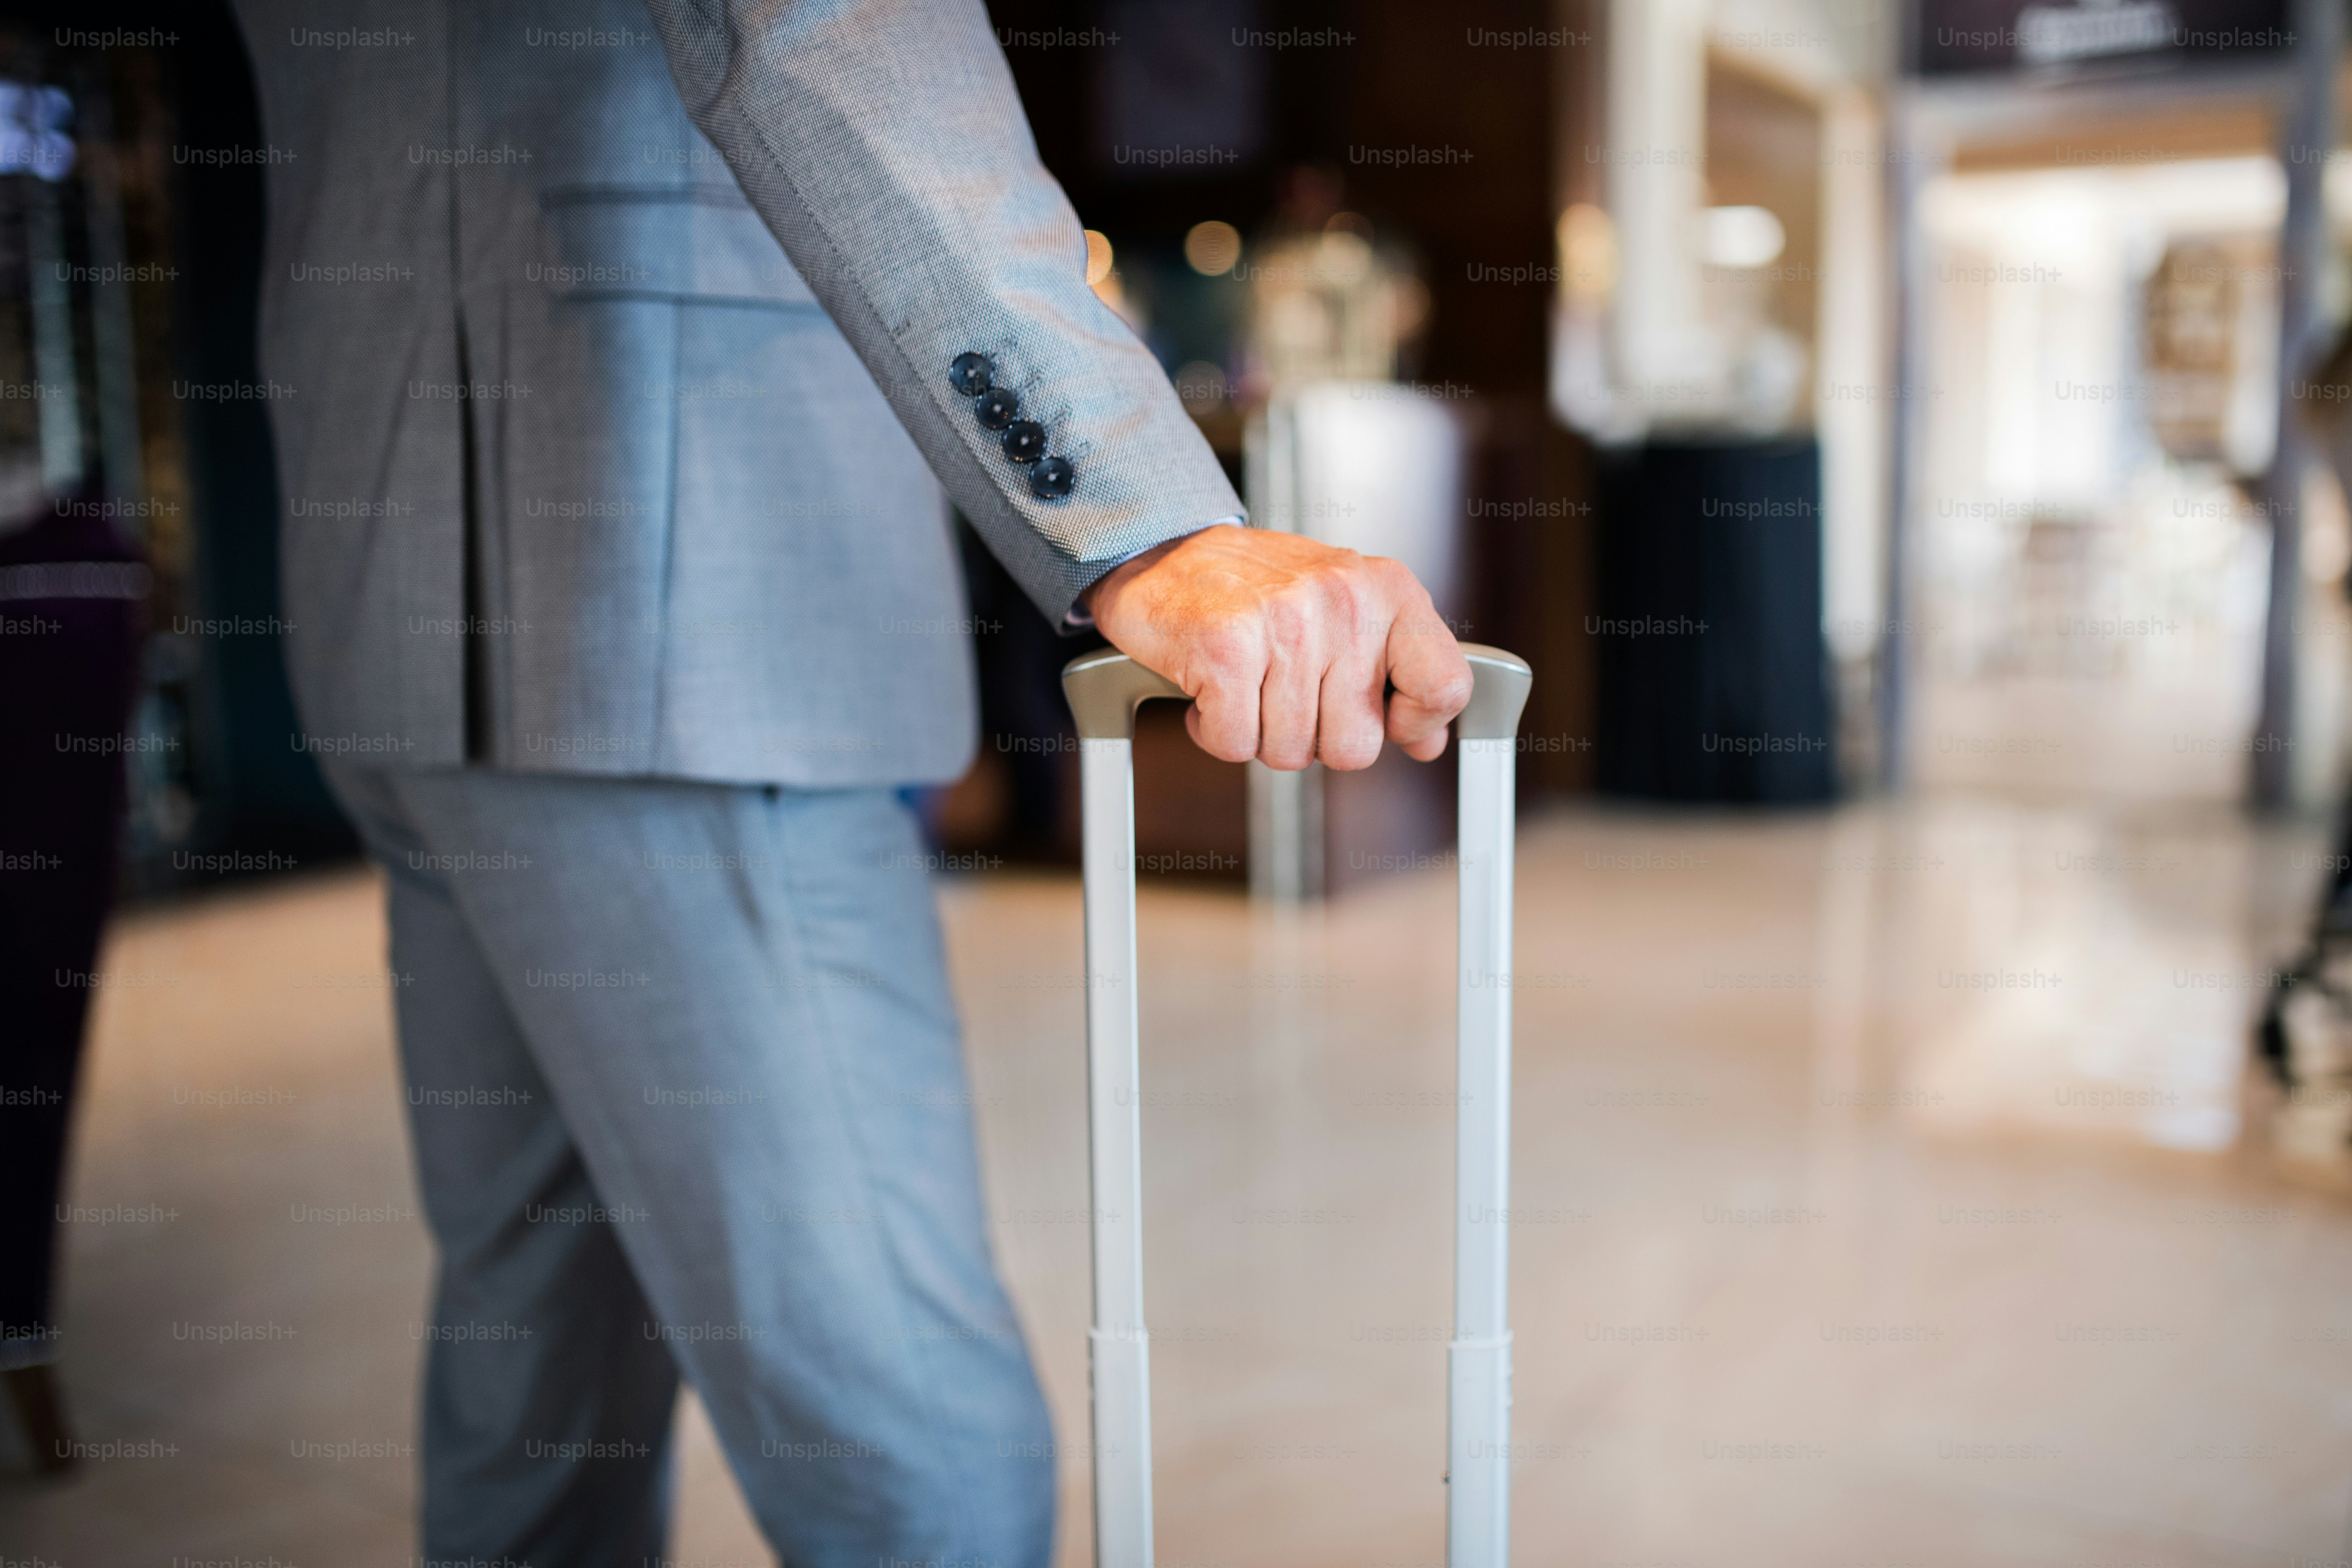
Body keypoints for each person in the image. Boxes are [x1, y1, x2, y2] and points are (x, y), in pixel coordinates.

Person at [228, 1, 1470, 1563]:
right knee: (906, 1442)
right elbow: (827, 28)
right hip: (681, 609)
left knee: (540, 1368)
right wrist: (1154, 519)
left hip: (407, 568)